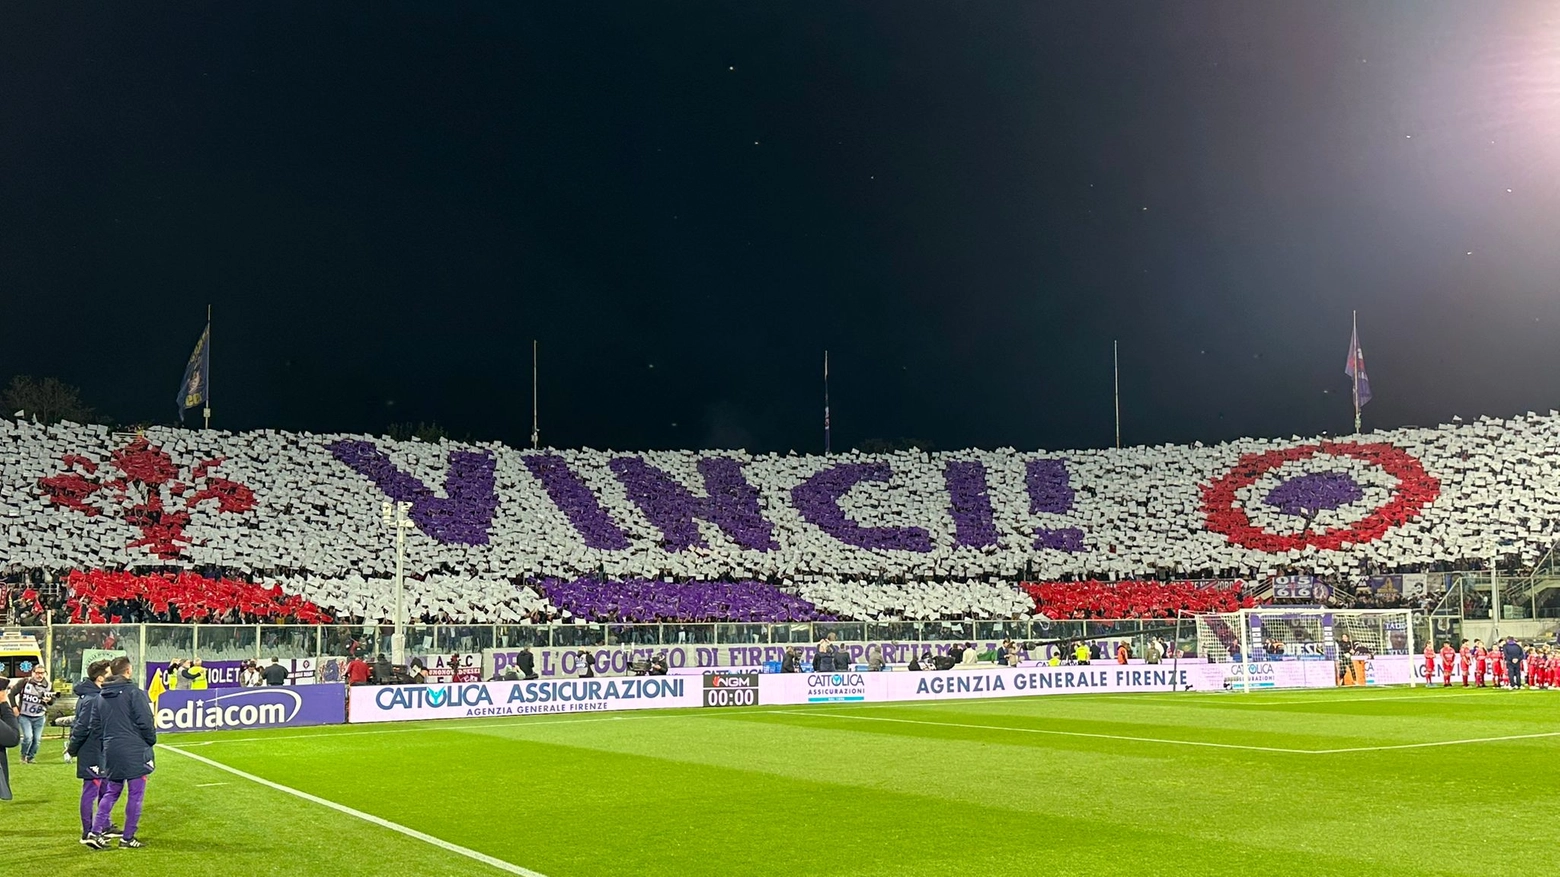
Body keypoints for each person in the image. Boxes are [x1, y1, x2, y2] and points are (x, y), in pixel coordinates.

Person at [86, 657, 155, 849]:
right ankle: (127, 838)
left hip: (111, 750)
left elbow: (95, 727)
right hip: (134, 750)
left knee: (112, 791)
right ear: (128, 671)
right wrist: (150, 741)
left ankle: (95, 831)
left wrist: (108, 743)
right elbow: (146, 721)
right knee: (135, 794)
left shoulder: (101, 696)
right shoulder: (134, 692)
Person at [67, 660, 123, 845]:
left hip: (102, 750)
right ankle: (88, 831)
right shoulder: (92, 699)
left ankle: (104, 825)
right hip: (92, 751)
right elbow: (82, 727)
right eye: (109, 673)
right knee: (91, 790)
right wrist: (72, 749)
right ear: (100, 678)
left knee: (105, 788)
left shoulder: (96, 695)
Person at [7, 663, 52, 765]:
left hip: (39, 716)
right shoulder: (24, 682)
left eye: (42, 673)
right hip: (24, 715)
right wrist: (14, 707)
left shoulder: (49, 685)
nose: (39, 675)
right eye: (37, 673)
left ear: (45, 673)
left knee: (37, 740)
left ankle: (31, 757)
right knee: (28, 737)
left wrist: (49, 700)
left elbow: (52, 701)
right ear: (33, 673)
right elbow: (11, 694)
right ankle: (23, 756)